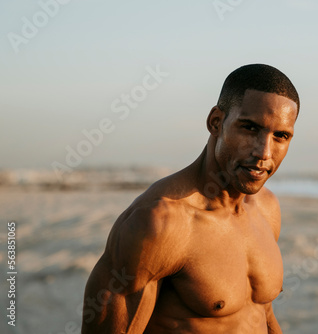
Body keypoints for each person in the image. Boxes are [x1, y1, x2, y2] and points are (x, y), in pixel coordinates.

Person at [82, 63, 300, 333]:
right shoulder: (159, 223)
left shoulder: (267, 209)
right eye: (250, 128)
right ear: (216, 122)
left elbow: (261, 312)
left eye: (281, 136)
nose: (264, 152)